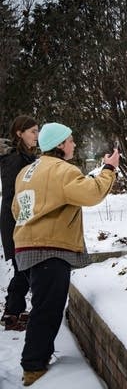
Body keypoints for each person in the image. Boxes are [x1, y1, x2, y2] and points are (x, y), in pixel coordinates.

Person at [12, 122, 119, 386]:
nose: (74, 144)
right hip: (50, 250)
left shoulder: (27, 171)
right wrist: (109, 169)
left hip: (27, 247)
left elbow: (17, 209)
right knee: (46, 310)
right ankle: (33, 367)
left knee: (43, 305)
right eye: (70, 140)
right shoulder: (62, 170)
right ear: (59, 144)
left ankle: (36, 361)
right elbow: (91, 193)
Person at [0, 116, 39, 331]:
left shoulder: (27, 157)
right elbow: (12, 196)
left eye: (37, 131)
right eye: (32, 131)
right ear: (19, 133)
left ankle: (13, 311)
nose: (36, 135)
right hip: (15, 221)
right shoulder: (15, 160)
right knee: (23, 268)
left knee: (23, 268)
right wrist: (21, 222)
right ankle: (11, 312)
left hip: (23, 220)